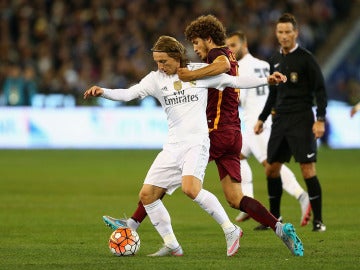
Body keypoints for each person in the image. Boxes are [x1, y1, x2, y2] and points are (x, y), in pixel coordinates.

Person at [84, 35, 298, 256]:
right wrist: (104, 91)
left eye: (164, 61)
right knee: (147, 195)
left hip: (197, 143)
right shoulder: (155, 79)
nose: (160, 66)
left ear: (177, 57)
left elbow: (233, 81)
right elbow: (130, 93)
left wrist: (267, 80)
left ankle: (230, 229)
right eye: (157, 61)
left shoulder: (198, 72)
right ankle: (172, 245)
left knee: (190, 188)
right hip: (172, 146)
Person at [225, 31, 311, 229]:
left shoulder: (237, 68)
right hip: (268, 120)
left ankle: (302, 196)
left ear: (244, 45)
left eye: (233, 45)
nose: (230, 50)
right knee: (237, 155)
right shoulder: (264, 65)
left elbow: (238, 98)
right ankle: (247, 200)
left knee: (271, 166)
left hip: (257, 124)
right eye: (228, 46)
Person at [254, 13, 327, 232]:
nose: (284, 36)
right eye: (280, 32)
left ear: (296, 33)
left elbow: (320, 90)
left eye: (288, 32)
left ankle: (319, 221)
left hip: (302, 119)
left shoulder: (306, 58)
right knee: (271, 169)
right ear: (276, 34)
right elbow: (273, 94)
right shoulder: (274, 60)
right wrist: (262, 118)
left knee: (307, 169)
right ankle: (274, 218)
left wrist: (320, 119)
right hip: (280, 121)